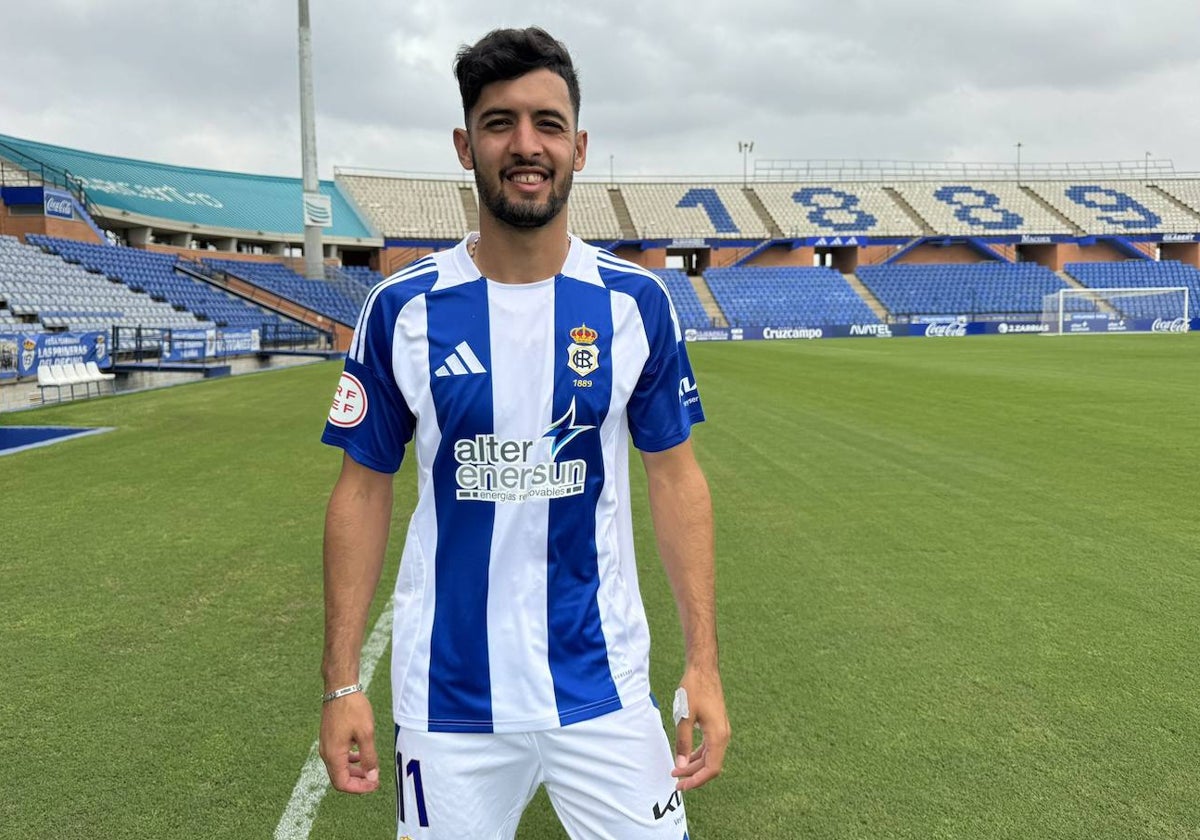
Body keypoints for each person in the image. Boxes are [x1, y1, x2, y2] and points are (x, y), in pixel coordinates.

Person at [318, 26, 729, 839]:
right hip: (448, 701)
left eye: (546, 123)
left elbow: (676, 477)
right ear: (466, 146)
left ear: (578, 146)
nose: (525, 144)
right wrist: (340, 682)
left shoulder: (634, 304)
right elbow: (361, 489)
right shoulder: (403, 309)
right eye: (500, 122)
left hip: (603, 688)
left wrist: (704, 663)